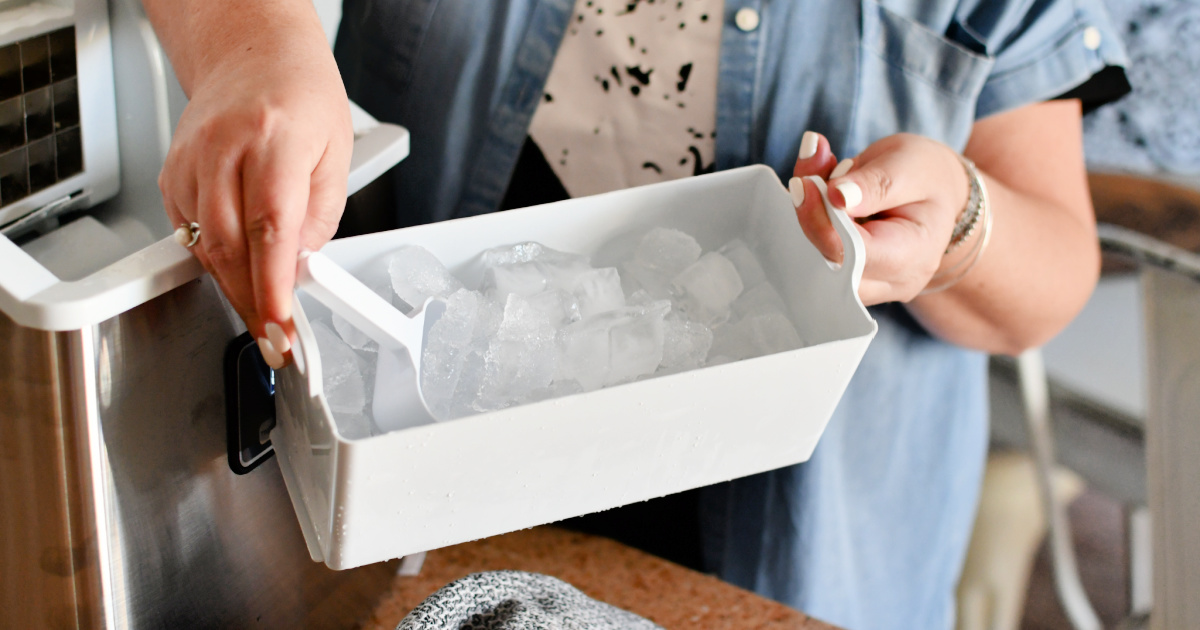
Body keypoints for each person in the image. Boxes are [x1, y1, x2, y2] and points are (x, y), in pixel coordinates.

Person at [142, 0, 1128, 627]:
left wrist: (958, 225)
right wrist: (249, 43)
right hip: (412, 498)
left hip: (802, 543)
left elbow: (1052, 273)